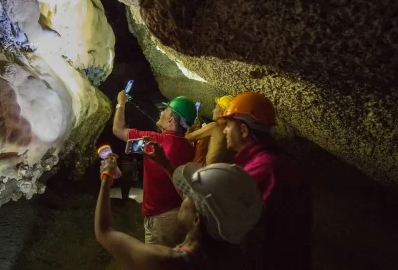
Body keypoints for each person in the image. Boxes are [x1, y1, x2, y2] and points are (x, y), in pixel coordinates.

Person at [95, 144, 263, 270]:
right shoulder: (229, 255)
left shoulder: (163, 260)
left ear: (197, 219)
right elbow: (201, 208)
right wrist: (166, 164)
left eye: (189, 196)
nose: (184, 196)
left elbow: (104, 232)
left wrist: (106, 178)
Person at [220, 92, 312, 270]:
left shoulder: (264, 167)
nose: (224, 130)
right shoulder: (275, 160)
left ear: (244, 130)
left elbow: (230, 219)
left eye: (228, 125)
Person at [112, 91, 196, 246]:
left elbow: (118, 129)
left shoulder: (153, 141)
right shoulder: (190, 148)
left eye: (166, 110)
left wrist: (121, 103)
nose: (162, 112)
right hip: (179, 212)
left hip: (160, 219)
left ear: (171, 120)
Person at [186, 95, 235, 165]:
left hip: (206, 171)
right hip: (221, 173)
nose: (212, 111)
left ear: (221, 112)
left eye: (215, 108)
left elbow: (187, 138)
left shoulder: (215, 126)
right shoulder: (233, 132)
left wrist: (189, 127)